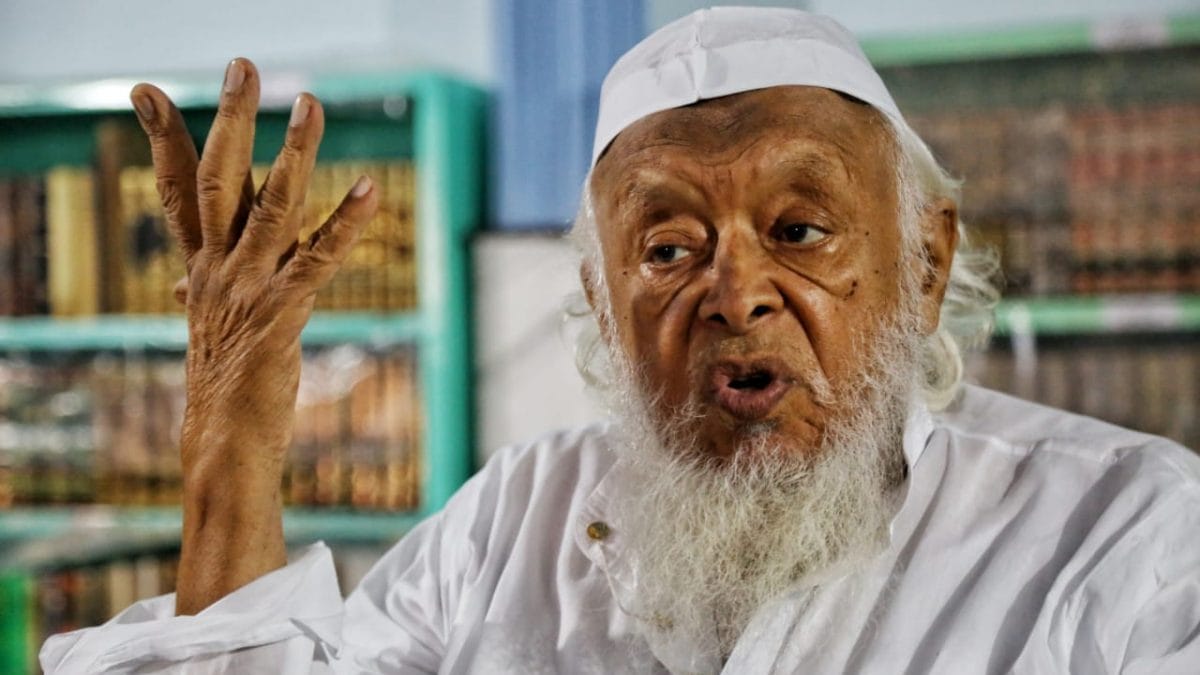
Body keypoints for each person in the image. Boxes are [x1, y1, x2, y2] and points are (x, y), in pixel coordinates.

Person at [42, 7, 1200, 674]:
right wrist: (231, 438)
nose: (735, 294)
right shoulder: (511, 523)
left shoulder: (1132, 538)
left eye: (799, 229)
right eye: (666, 250)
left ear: (927, 260)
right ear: (602, 304)